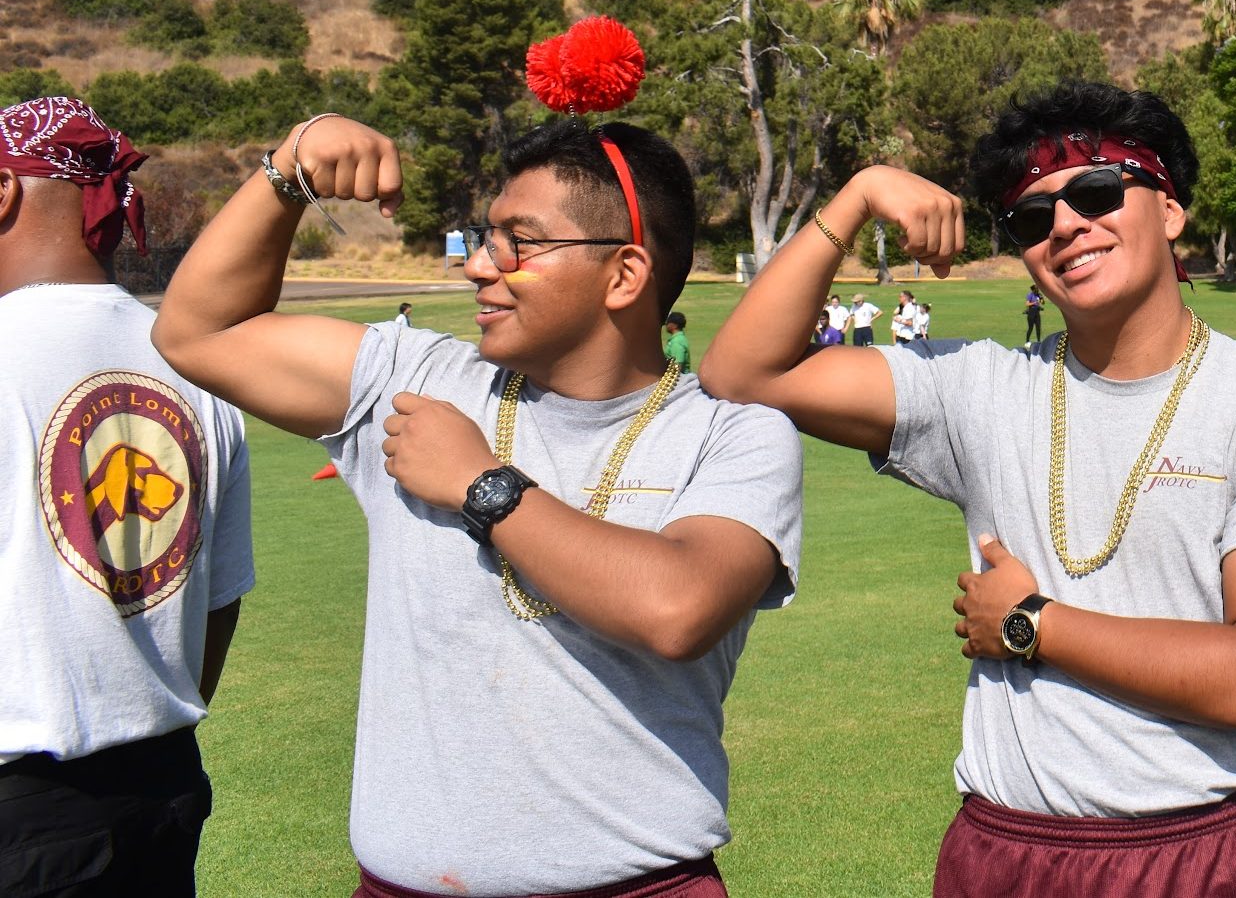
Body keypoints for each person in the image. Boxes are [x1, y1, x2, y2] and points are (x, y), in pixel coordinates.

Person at [700, 82, 1236, 897]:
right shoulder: (981, 388)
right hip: (1008, 852)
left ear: (1170, 210)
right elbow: (741, 373)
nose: (1066, 226)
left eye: (1097, 191)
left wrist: (1030, 624)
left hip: (1202, 853)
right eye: (1032, 218)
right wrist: (859, 195)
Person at [152, 110, 803, 898]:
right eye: (486, 236)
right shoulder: (414, 379)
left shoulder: (733, 435)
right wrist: (287, 172)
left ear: (624, 273)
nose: (477, 266)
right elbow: (199, 333)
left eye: (518, 242)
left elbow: (679, 609)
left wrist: (480, 483)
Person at [0, 97, 254, 897]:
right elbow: (220, 601)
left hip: (22, 809)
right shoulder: (195, 365)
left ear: (4, 192)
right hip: (163, 786)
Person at [1023, 284, 1044, 349]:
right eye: (1036, 289)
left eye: (1038, 289)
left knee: (1038, 327)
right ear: (1033, 290)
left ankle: (1038, 341)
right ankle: (1027, 341)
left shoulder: (1039, 295)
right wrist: (1034, 303)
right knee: (1030, 328)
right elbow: (1027, 304)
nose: (1037, 290)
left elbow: (1042, 303)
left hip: (1037, 313)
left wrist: (1042, 299)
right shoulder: (1030, 295)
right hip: (1031, 313)